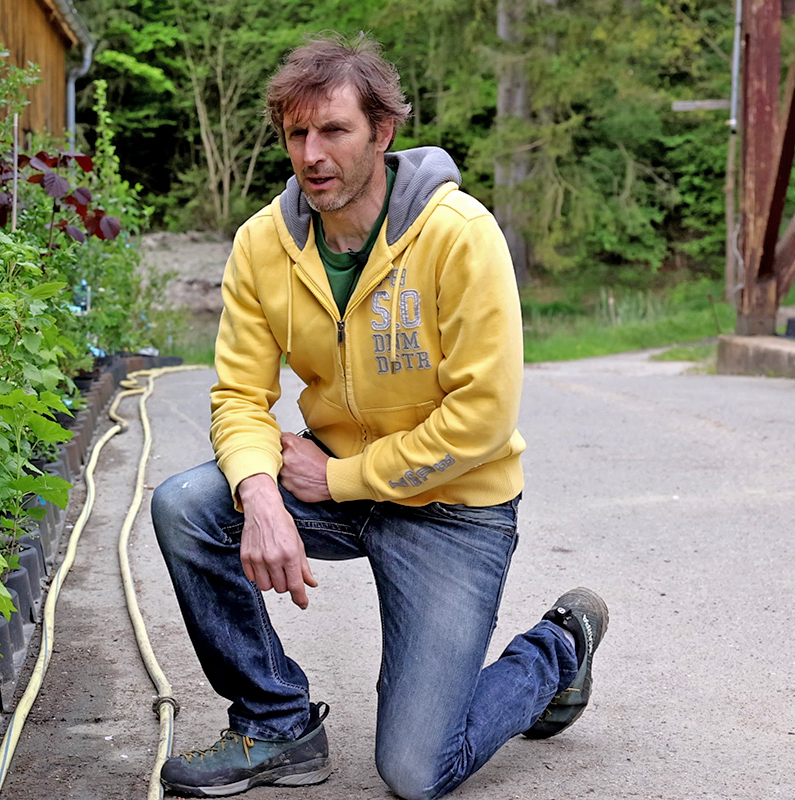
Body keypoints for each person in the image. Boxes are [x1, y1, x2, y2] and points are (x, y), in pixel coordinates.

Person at [149, 32, 609, 800]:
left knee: (416, 770)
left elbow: (483, 418)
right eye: (297, 134)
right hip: (331, 482)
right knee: (188, 507)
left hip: (453, 506)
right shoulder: (264, 244)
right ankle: (277, 726)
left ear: (383, 132)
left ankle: (558, 649)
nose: (312, 153)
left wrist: (342, 477)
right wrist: (261, 493)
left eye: (333, 130)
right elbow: (238, 395)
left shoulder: (458, 234)